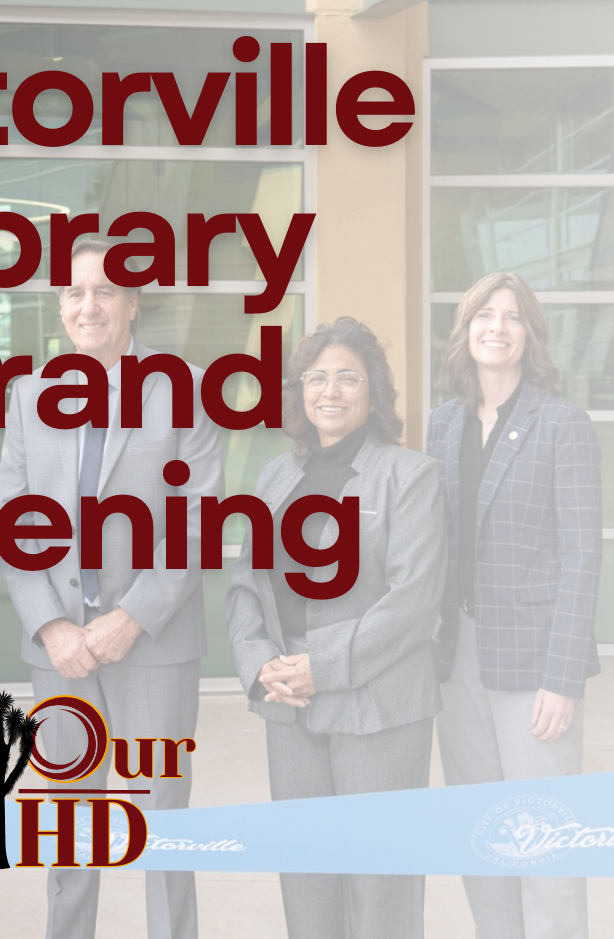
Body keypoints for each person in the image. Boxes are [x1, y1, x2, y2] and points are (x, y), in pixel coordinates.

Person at [0, 238, 223, 939]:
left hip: (153, 643)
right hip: (59, 653)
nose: (87, 305)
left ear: (132, 304)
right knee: (67, 829)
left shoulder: (183, 387)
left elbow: (196, 523)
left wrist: (130, 616)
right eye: (73, 293)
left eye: (103, 292)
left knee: (162, 825)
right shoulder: (29, 395)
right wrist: (51, 625)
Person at [226, 317, 447, 939]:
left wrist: (320, 665)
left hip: (378, 705)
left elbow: (413, 600)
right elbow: (246, 582)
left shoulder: (410, 475)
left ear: (373, 390)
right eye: (316, 377)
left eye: (348, 377)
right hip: (289, 702)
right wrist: (260, 661)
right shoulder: (274, 479)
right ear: (299, 390)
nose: (331, 390)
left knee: (379, 885)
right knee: (306, 874)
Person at [428, 272, 602, 939]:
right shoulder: (444, 423)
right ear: (465, 330)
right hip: (457, 656)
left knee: (542, 832)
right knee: (485, 833)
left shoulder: (561, 423)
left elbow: (583, 555)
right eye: (483, 315)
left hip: (534, 660)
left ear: (531, 334)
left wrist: (562, 678)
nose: (496, 327)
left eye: (512, 316)